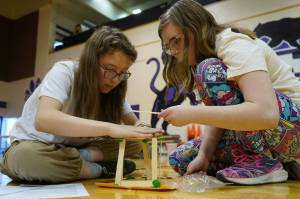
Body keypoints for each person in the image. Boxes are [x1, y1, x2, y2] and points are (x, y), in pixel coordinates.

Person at [157, 0, 300, 185]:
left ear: (195, 27)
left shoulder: (233, 44)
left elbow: (266, 113)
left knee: (208, 70)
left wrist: (191, 114)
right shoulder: (203, 61)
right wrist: (205, 156)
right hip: (263, 136)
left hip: (291, 128)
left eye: (176, 40)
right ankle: (279, 164)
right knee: (181, 158)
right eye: (168, 46)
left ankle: (263, 163)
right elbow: (219, 115)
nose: (174, 51)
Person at [0, 26, 162, 183]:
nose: (115, 79)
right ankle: (98, 170)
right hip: (35, 146)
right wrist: (109, 128)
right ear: (91, 61)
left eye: (122, 73)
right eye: (110, 69)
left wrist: (143, 129)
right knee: (25, 158)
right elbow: (44, 119)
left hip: (80, 150)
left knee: (134, 142)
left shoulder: (114, 89)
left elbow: (133, 123)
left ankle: (81, 160)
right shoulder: (65, 71)